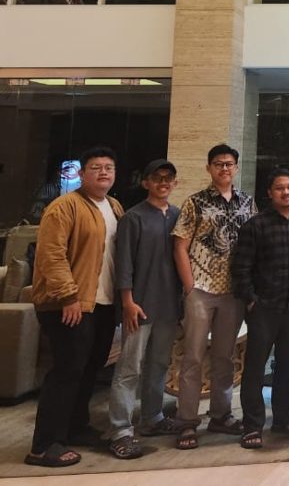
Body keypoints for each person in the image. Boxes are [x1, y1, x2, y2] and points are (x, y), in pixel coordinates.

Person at [25, 147, 123, 468]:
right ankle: (43, 445)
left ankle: (75, 428)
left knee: (90, 369)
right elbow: (51, 255)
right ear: (81, 174)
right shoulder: (64, 207)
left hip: (102, 303)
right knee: (66, 371)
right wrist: (68, 296)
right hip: (68, 305)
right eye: (96, 167)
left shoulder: (114, 206)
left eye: (109, 167)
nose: (103, 172)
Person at [171, 144, 258, 449]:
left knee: (225, 356)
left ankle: (221, 414)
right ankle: (186, 421)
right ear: (208, 168)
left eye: (229, 163)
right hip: (201, 289)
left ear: (236, 167)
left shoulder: (247, 202)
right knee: (193, 357)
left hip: (233, 292)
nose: (224, 168)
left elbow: (255, 244)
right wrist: (189, 286)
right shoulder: (195, 203)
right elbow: (180, 246)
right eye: (218, 164)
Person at [232, 169, 289, 449]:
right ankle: (252, 425)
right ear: (270, 193)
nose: (286, 192)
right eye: (280, 188)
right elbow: (241, 267)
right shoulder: (255, 226)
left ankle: (283, 419)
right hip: (264, 308)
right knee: (255, 368)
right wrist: (251, 299)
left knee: (288, 365)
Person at [107, 159, 183, 459]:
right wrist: (127, 301)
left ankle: (152, 417)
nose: (163, 182)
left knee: (159, 364)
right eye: (157, 177)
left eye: (168, 178)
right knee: (129, 368)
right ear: (146, 182)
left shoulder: (178, 216)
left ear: (175, 183)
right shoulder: (133, 218)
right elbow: (123, 263)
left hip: (169, 305)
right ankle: (121, 430)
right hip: (139, 305)